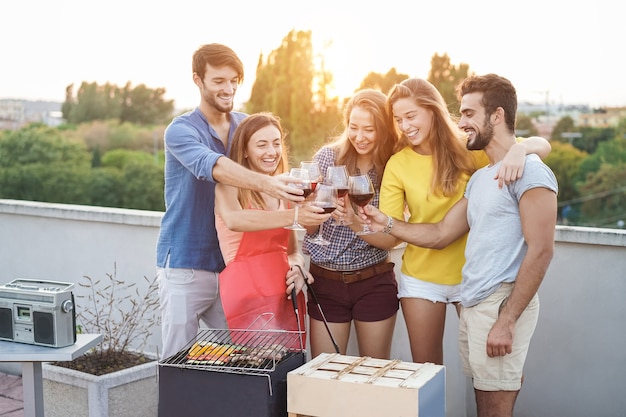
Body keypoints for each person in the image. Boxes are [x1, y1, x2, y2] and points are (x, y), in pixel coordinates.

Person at [363, 73, 558, 417]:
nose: (404, 126)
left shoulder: (492, 156)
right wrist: (369, 222)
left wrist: (521, 149)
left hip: (486, 292)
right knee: (465, 383)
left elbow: (541, 246)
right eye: (398, 119)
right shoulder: (469, 172)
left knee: (495, 388)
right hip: (448, 285)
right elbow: (436, 233)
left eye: (411, 116)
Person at [156, 44, 304, 359]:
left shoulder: (244, 125)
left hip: (233, 269)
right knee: (178, 359)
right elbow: (216, 167)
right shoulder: (181, 131)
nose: (229, 88)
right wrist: (275, 187)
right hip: (187, 263)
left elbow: (267, 161)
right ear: (198, 80)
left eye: (234, 80)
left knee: (249, 356)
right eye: (219, 80)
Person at [300, 89, 400, 359]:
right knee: (325, 372)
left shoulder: (392, 166)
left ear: (383, 129)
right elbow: (310, 228)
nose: (359, 136)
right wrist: (311, 213)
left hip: (373, 280)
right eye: (353, 127)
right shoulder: (327, 158)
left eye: (369, 129)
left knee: (374, 372)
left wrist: (355, 222)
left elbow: (392, 239)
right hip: (325, 281)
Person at [214, 112, 330, 338]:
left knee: (288, 368)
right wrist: (296, 215)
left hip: (285, 294)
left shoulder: (286, 192)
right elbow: (235, 220)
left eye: (276, 143)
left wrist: (297, 268)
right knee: (256, 368)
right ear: (245, 150)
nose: (271, 152)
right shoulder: (228, 187)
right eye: (262, 144)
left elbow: (293, 252)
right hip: (248, 297)